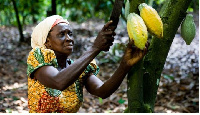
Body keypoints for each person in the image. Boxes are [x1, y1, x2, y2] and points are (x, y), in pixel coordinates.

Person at [27, 15, 149, 113]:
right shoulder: (38, 56)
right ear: (47, 41)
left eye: (70, 33)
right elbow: (58, 82)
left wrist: (125, 65)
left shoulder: (79, 69)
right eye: (61, 34)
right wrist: (95, 48)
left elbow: (102, 91)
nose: (69, 38)